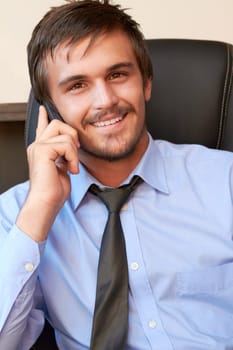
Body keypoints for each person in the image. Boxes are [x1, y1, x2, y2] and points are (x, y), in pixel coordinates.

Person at [1, 0, 233, 349]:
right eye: (77, 85)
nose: (106, 100)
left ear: (147, 83)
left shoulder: (224, 180)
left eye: (117, 75)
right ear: (51, 109)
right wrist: (41, 208)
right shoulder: (17, 214)